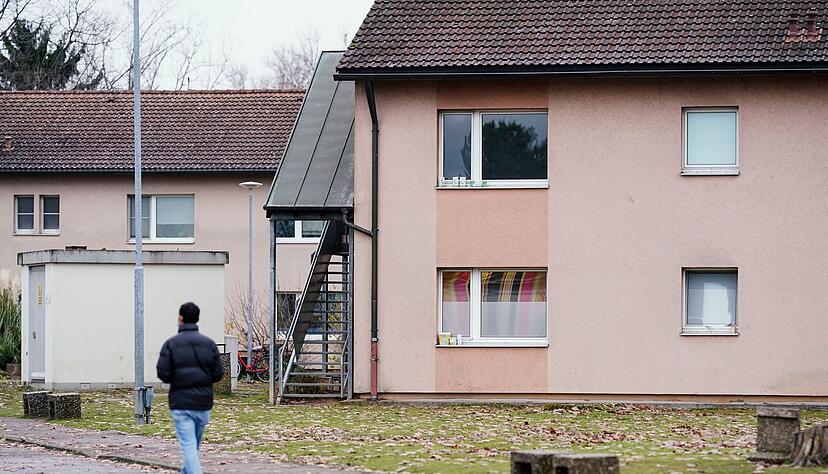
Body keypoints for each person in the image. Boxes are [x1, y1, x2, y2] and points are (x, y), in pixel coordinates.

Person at [156, 302, 224, 474]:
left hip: (181, 403)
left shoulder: (171, 344)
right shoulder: (209, 344)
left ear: (180, 318)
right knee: (193, 448)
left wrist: (178, 378)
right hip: (203, 404)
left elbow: (163, 373)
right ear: (197, 319)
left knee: (189, 447)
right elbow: (218, 374)